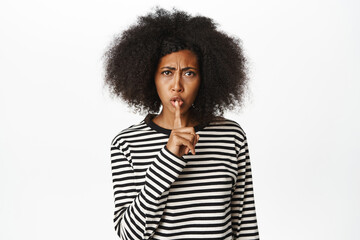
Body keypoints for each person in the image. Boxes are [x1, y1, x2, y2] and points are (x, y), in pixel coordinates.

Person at [104, 6, 260, 240]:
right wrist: (169, 157)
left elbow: (245, 225)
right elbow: (129, 234)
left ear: (205, 78)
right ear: (150, 77)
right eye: (167, 72)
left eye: (189, 73)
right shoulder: (127, 143)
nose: (177, 85)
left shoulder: (231, 136)